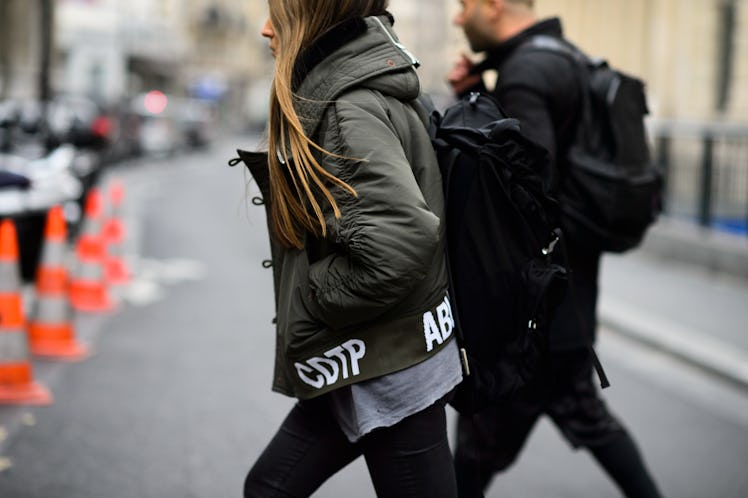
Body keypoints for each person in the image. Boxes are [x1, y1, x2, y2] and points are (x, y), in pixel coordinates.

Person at [241, 1, 463, 497]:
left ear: (311, 17)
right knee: (269, 487)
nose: (264, 29)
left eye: (276, 13)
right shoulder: (355, 86)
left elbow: (398, 246)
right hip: (362, 355)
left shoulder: (347, 106)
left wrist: (315, 296)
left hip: (389, 364)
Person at [447, 1, 664, 497]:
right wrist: (478, 93)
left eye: (463, 7)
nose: (458, 19)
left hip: (533, 309)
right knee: (588, 421)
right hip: (570, 297)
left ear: (493, 6)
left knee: (476, 450)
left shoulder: (525, 73)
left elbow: (527, 188)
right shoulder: (567, 57)